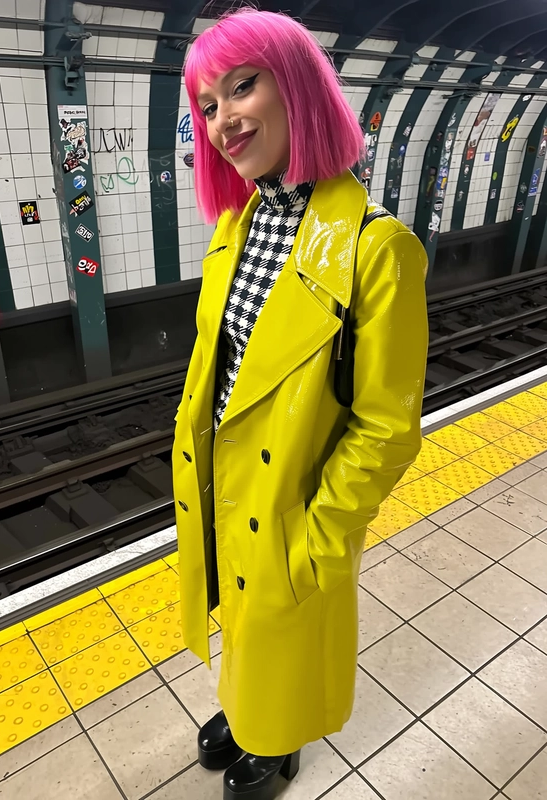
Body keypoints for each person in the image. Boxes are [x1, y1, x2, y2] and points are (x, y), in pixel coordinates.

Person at [172, 8, 428, 799]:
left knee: (281, 623)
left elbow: (387, 426)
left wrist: (318, 536)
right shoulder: (236, 226)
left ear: (301, 88)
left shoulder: (376, 247)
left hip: (293, 502)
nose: (222, 121)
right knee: (239, 618)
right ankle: (243, 710)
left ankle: (274, 743)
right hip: (223, 481)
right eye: (207, 105)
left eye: (241, 87)